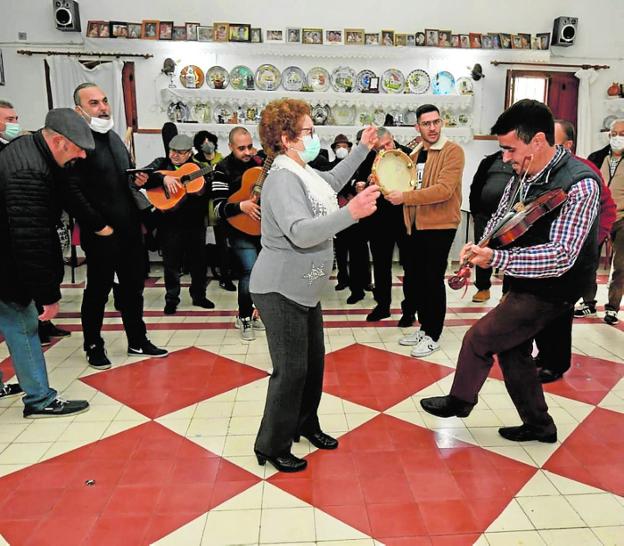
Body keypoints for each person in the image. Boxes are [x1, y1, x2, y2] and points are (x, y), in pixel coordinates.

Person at [420, 100, 601, 443]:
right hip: (525, 279)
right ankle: (539, 425)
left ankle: (460, 401)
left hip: (555, 288)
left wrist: (498, 261)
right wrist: (479, 248)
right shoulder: (524, 173)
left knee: (481, 338)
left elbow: (561, 256)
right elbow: (504, 215)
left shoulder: (581, 184)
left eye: (509, 148)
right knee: (512, 348)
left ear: (537, 141)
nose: (505, 158)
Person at [250, 98, 380, 472]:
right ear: (287, 139)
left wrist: (363, 149)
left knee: (312, 366)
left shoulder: (303, 171)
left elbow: (335, 181)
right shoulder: (281, 178)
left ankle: (304, 424)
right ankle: (271, 444)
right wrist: (350, 213)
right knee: (290, 371)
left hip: (304, 288)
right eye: (307, 131)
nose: (314, 137)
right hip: (279, 289)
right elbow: (301, 233)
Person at [64, 83, 167, 369]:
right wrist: (98, 226)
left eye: (105, 101)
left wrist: (139, 180)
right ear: (79, 110)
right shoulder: (77, 143)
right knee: (97, 290)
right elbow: (72, 192)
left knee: (133, 288)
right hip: (101, 234)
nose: (103, 107)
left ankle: (137, 340)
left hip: (130, 230)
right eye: (94, 103)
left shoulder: (115, 139)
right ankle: (93, 344)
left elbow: (125, 178)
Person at [0, 108, 92, 417]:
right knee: (23, 325)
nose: (81, 155)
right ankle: (40, 400)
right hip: (6, 265)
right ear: (59, 141)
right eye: (77, 148)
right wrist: (47, 295)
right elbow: (30, 239)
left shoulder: (28, 151)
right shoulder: (28, 170)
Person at [533, 120, 616, 383]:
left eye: (552, 142)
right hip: (545, 253)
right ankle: (543, 355)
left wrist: (591, 243)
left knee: (559, 311)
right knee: (541, 308)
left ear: (568, 145)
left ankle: (555, 363)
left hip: (571, 257)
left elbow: (608, 209)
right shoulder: (542, 168)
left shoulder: (584, 170)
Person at [388, 104, 464, 357]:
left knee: (432, 280)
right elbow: (404, 181)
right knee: (418, 279)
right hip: (416, 224)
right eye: (426, 123)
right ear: (417, 127)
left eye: (436, 122)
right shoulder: (417, 151)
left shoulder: (453, 151)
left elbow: (444, 190)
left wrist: (405, 198)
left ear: (442, 123)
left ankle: (433, 334)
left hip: (440, 225)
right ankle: (424, 327)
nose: (432, 128)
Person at [0, 100, 72, 343]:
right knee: (21, 324)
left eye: (15, 118)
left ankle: (45, 322)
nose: (15, 124)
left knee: (47, 269)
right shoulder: (20, 164)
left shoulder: (23, 148)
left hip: (39, 228)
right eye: (8, 120)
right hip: (13, 245)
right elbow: (26, 230)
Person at [137, 134, 214, 314]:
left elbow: (208, 192)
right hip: (168, 223)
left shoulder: (199, 167)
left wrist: (200, 188)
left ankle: (199, 295)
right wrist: (163, 179)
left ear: (189, 153)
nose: (174, 155)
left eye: (180, 153)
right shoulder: (161, 164)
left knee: (198, 262)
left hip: (194, 223)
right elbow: (143, 177)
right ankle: (171, 298)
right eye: (172, 151)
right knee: (171, 263)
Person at [353, 127, 413, 325]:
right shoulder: (369, 159)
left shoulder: (407, 154)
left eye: (388, 143)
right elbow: (359, 183)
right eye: (381, 147)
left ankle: (409, 310)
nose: (386, 148)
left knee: (410, 266)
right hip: (378, 221)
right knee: (380, 265)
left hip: (405, 218)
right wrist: (364, 185)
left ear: (392, 138)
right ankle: (382, 305)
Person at [211, 127, 264, 340]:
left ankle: (256, 313)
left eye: (250, 146)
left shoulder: (260, 165)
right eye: (241, 148)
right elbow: (217, 208)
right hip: (239, 229)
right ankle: (244, 318)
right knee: (249, 273)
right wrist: (241, 206)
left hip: (263, 229)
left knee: (263, 276)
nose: (247, 151)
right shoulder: (221, 169)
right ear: (230, 147)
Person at [579, 119, 624, 325]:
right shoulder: (596, 158)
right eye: (613, 133)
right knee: (589, 261)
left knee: (621, 265)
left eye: (622, 134)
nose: (617, 138)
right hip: (596, 216)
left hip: (623, 219)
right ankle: (588, 302)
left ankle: (613, 307)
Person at [468, 150, 514, 302]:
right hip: (484, 215)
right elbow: (475, 187)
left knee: (510, 253)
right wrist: (475, 212)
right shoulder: (489, 161)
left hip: (510, 219)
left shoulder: (520, 159)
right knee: (481, 250)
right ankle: (483, 288)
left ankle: (507, 292)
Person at [329, 134, 370, 303]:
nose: (341, 149)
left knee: (358, 252)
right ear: (333, 149)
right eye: (338, 146)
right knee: (341, 249)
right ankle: (343, 279)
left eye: (344, 146)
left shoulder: (358, 165)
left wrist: (356, 186)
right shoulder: (330, 167)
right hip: (338, 213)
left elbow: (361, 184)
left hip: (357, 214)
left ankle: (361, 285)